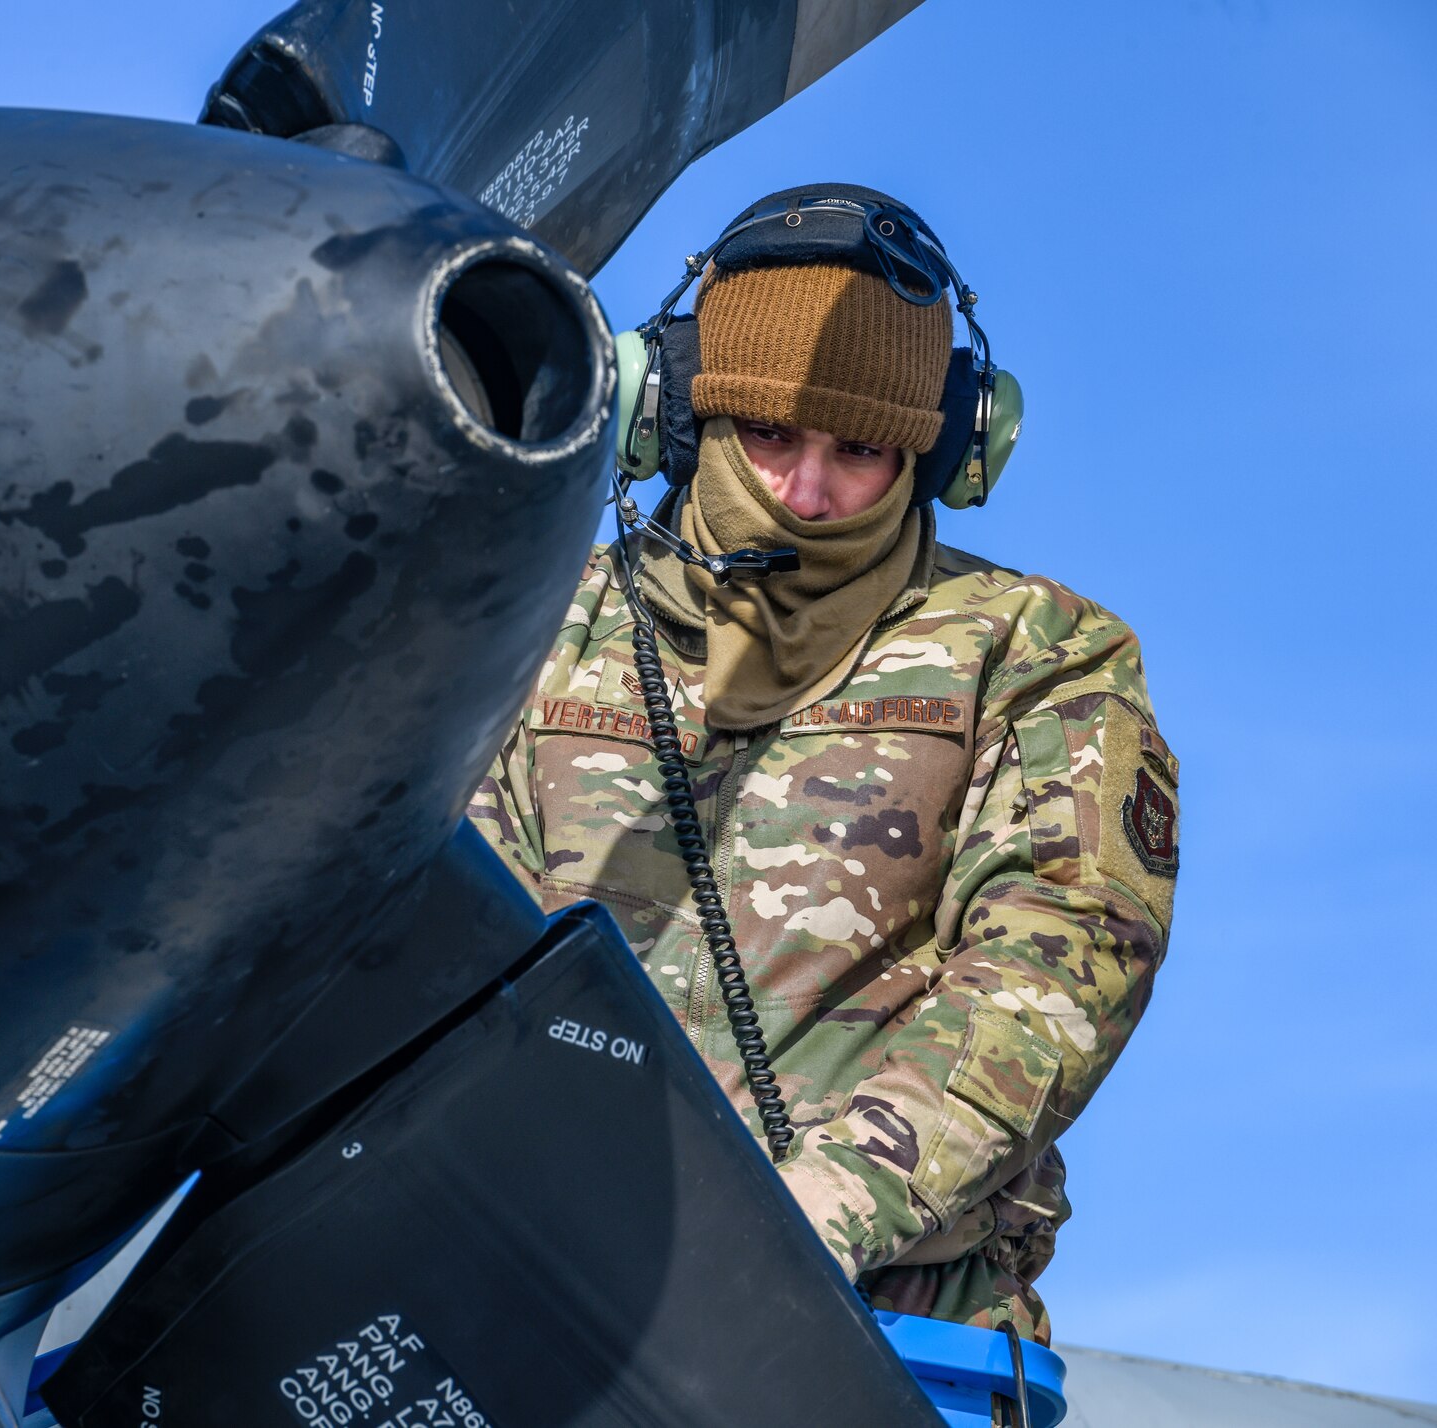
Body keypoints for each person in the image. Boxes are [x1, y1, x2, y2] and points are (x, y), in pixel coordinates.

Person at [467, 184, 1177, 1343]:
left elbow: (1060, 960)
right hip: (528, 1292)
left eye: (859, 449)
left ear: (943, 448)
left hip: (871, 1333)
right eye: (767, 433)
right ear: (677, 410)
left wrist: (808, 1219)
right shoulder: (538, 626)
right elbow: (429, 947)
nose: (805, 491)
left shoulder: (1034, 650)